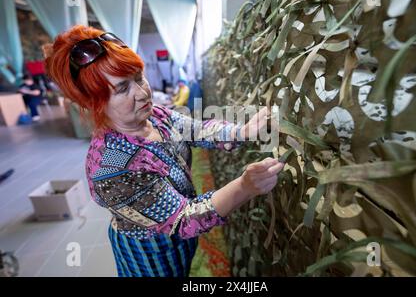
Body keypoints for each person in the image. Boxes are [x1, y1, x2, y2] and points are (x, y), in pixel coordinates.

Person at [43, 25, 283, 277]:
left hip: (179, 235)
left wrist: (241, 131)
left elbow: (196, 130)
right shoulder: (112, 168)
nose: (142, 92)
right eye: (123, 88)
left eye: (138, 77)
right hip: (149, 249)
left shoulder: (154, 116)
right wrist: (244, 187)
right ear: (96, 104)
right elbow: (183, 220)